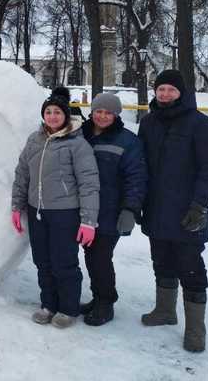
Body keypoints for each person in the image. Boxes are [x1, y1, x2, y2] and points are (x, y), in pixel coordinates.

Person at [138, 69, 208, 353]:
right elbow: (141, 166)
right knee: (161, 260)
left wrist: (201, 205)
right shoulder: (148, 122)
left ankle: (196, 330)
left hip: (188, 211)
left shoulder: (200, 123)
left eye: (170, 90)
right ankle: (165, 311)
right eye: (160, 89)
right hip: (156, 209)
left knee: (190, 267)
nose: (164, 95)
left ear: (181, 93)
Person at [11, 86, 100, 329]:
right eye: (48, 112)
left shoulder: (77, 144)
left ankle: (68, 308)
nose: (52, 116)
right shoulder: (34, 140)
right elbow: (22, 174)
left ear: (65, 116)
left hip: (65, 212)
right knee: (43, 261)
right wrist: (16, 206)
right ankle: (48, 304)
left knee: (64, 262)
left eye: (57, 112)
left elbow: (89, 183)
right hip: (36, 210)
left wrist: (88, 221)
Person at [79, 92, 147, 326]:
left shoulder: (127, 141)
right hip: (84, 210)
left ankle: (106, 303)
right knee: (90, 256)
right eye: (98, 111)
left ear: (116, 114)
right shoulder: (81, 135)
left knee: (100, 258)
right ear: (92, 112)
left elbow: (136, 178)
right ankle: (98, 297)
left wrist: (130, 209)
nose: (103, 116)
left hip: (110, 211)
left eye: (109, 112)